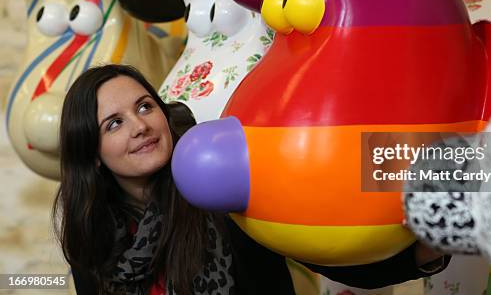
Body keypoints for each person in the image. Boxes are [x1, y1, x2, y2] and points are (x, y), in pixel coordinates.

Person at [53, 64, 448, 295]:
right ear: (93, 154)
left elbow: (327, 256)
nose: (140, 126)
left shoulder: (225, 180)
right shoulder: (93, 234)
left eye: (145, 106)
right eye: (115, 123)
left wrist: (420, 253)